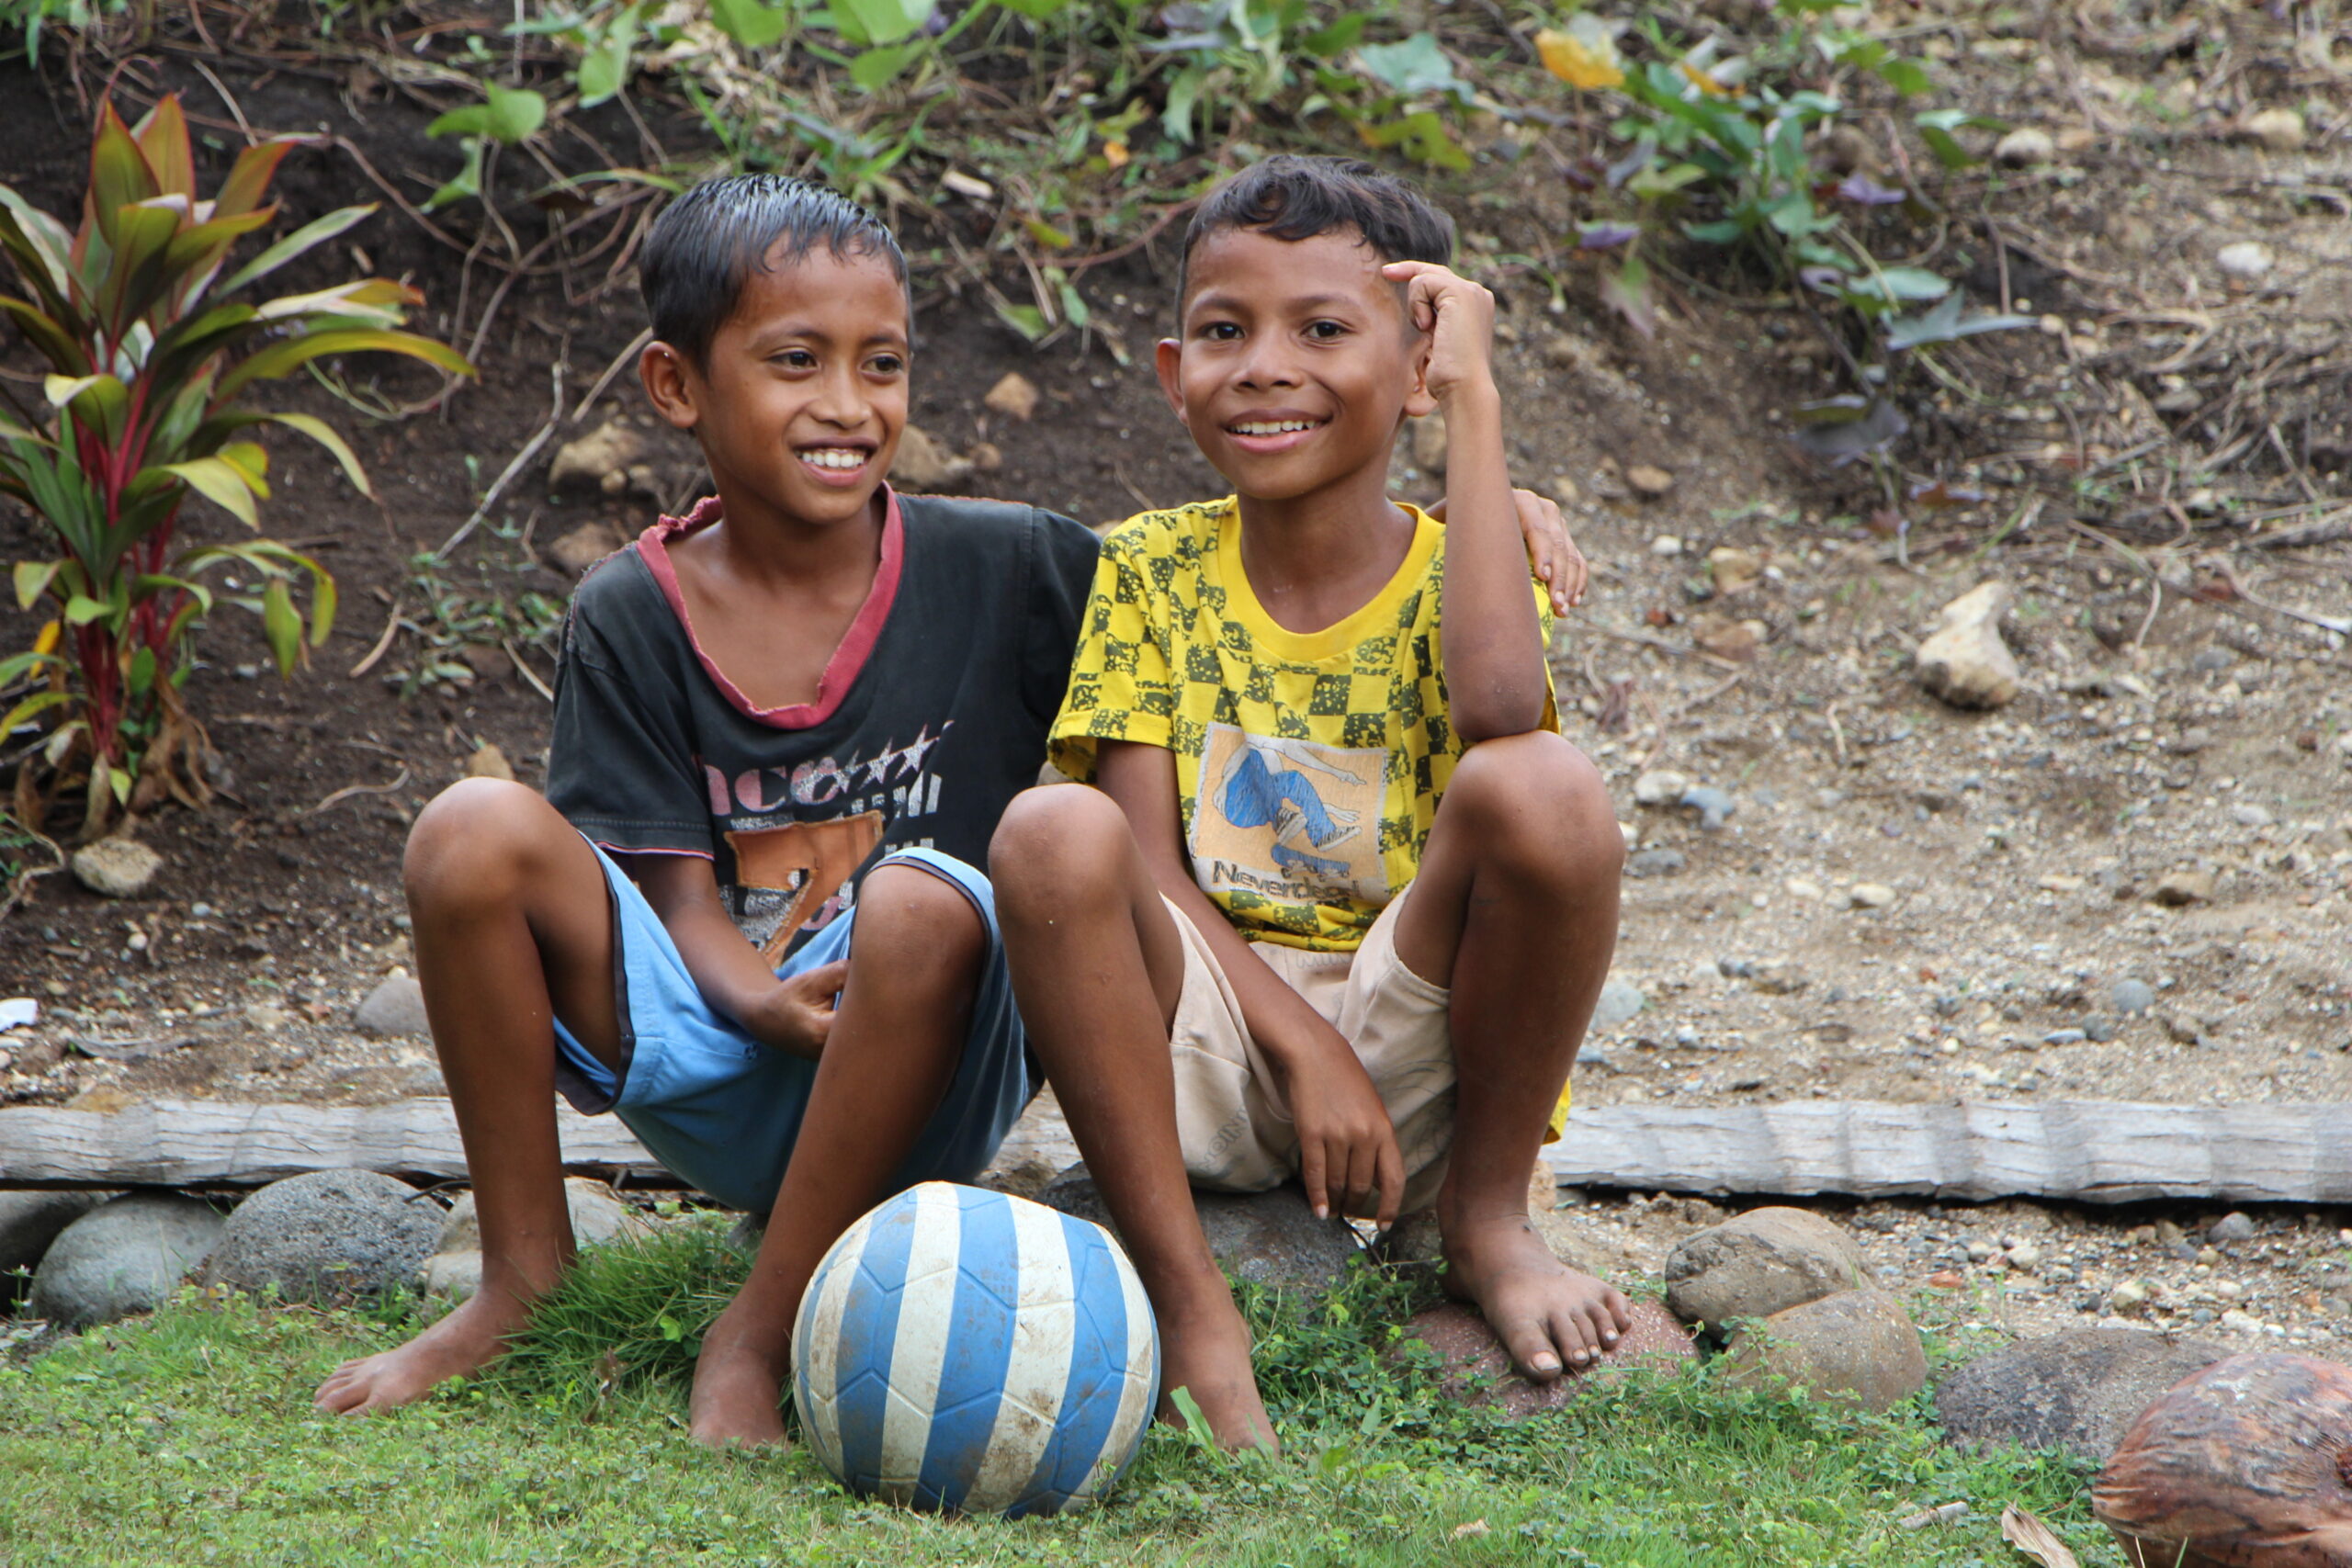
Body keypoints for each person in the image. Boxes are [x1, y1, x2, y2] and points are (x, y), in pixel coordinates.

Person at [312, 175, 1104, 1449]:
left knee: (923, 893)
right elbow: (674, 891)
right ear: (676, 386)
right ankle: (523, 1281)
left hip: (938, 1064)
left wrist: (1471, 530)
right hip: (735, 1069)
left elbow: (1220, 606)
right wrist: (759, 999)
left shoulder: (1014, 565)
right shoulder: (632, 612)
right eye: (797, 360)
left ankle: (756, 1326)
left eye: (882, 362)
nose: (848, 405)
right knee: (467, 828)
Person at [989, 154, 1632, 1452]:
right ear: (1176, 373)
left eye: (1324, 330)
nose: (1266, 366)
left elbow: (1508, 719)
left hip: (1417, 1061)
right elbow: (1144, 860)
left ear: (1414, 371)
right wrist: (1301, 1043)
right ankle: (1192, 1301)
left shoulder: (1463, 568)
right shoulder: (1151, 567)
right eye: (1226, 332)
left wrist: (1479, 408)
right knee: (1050, 829)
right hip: (1204, 1035)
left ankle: (1486, 1225)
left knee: (1550, 787)